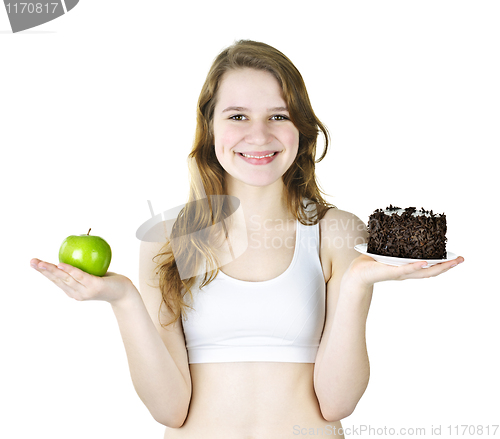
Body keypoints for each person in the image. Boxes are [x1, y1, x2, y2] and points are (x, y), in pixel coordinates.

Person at [30, 40, 464, 438]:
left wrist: (355, 284)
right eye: (237, 116)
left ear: (302, 128)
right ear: (210, 127)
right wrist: (122, 297)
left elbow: (337, 402)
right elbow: (170, 409)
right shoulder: (166, 238)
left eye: (278, 115)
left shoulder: (336, 231)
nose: (259, 135)